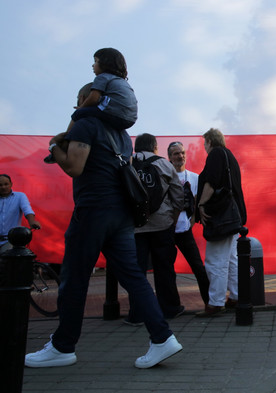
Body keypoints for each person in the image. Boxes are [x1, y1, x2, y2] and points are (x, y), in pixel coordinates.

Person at [26, 83, 181, 369]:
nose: (75, 105)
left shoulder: (86, 124)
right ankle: (162, 338)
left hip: (93, 209)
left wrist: (53, 146)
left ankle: (63, 347)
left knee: (74, 278)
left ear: (87, 98)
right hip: (121, 213)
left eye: (78, 99)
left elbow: (74, 167)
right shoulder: (122, 134)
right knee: (133, 277)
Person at [126, 133, 184, 323]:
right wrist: (172, 219)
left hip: (135, 227)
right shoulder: (164, 164)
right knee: (164, 268)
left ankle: (137, 314)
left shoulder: (127, 163)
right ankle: (170, 308)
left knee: (137, 271)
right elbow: (178, 196)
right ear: (155, 147)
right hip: (162, 224)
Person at [44, 48, 138, 164]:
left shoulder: (103, 77)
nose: (92, 65)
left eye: (95, 61)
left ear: (105, 63)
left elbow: (94, 98)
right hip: (129, 119)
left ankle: (64, 143)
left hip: (114, 113)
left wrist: (82, 107)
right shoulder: (123, 82)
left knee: (79, 114)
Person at [196, 128, 247, 317]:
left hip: (221, 218)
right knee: (231, 259)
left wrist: (201, 203)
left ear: (210, 141)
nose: (204, 147)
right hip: (234, 216)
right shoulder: (229, 155)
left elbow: (211, 181)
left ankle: (215, 303)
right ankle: (236, 296)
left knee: (215, 260)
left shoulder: (216, 154)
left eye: (204, 143)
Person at [167, 141, 210, 307]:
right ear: (170, 157)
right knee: (168, 271)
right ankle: (172, 305)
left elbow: (199, 202)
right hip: (168, 231)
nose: (181, 156)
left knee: (198, 267)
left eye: (182, 153)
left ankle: (209, 302)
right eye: (176, 153)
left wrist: (192, 221)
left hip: (185, 230)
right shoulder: (166, 176)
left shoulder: (195, 178)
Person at [0, 174, 41, 252]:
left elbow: (27, 210)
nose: (3, 187)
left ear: (11, 184)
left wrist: (32, 222)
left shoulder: (20, 196)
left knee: (6, 259)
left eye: (6, 184)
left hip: (10, 241)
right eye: (0, 185)